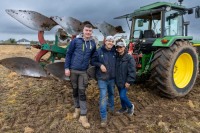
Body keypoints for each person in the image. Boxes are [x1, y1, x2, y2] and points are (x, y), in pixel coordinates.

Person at [64, 24, 96, 128]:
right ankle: (77, 109)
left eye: (90, 31)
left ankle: (83, 116)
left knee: (82, 92)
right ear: (83, 30)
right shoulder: (76, 41)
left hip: (83, 72)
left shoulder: (92, 43)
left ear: (92, 32)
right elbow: (68, 54)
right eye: (87, 30)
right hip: (73, 70)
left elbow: (94, 57)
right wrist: (66, 68)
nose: (88, 32)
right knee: (75, 90)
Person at [91, 36, 116, 127]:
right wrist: (100, 65)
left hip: (112, 78)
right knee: (103, 97)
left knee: (112, 93)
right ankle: (103, 118)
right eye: (109, 41)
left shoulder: (114, 51)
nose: (110, 42)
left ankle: (111, 109)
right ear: (105, 41)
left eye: (112, 41)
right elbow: (93, 61)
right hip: (102, 78)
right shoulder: (99, 51)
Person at [115, 39, 136, 116]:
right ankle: (124, 108)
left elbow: (132, 71)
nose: (119, 48)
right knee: (121, 95)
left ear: (124, 47)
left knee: (122, 95)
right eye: (117, 47)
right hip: (118, 80)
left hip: (125, 81)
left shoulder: (129, 58)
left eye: (121, 47)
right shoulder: (116, 57)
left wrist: (129, 81)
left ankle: (130, 106)